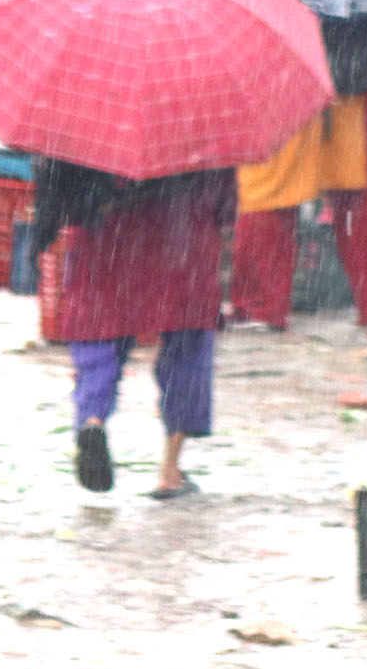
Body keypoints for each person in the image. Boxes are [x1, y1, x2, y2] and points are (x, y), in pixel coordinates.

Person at [31, 159, 234, 497]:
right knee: (187, 344)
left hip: (106, 234)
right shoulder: (205, 135)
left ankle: (92, 419)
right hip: (182, 236)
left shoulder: (92, 133)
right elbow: (224, 201)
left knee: (97, 333)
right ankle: (170, 471)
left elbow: (58, 189)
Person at [229, 10, 367, 330]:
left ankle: (260, 305)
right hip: (350, 79)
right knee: (360, 200)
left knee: (269, 196)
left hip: (285, 77)